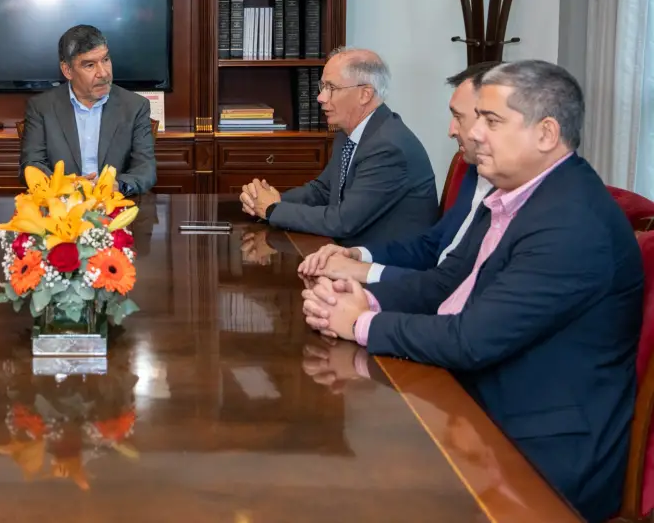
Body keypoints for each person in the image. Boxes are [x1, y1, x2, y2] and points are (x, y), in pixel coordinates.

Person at [301, 60, 642, 523]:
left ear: (546, 133)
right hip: (474, 403)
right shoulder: (513, 194)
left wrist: (360, 322)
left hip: (537, 448)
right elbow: (444, 284)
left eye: (492, 120)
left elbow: (471, 340)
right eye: (475, 117)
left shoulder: (572, 224)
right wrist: (363, 297)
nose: (473, 133)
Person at [298, 61, 499, 284]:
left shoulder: (388, 144)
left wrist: (363, 276)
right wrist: (358, 255)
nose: (451, 131)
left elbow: (451, 285)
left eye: (459, 117)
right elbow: (431, 246)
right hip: (419, 283)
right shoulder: (477, 171)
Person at [240, 47, 438, 243]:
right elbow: (323, 191)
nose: (320, 97)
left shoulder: (388, 148)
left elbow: (343, 222)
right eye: (322, 87)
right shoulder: (349, 133)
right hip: (350, 251)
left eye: (331, 88)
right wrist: (271, 199)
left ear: (365, 94)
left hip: (389, 264)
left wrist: (272, 209)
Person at [19, 24, 156, 196]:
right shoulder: (41, 107)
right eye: (90, 65)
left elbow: (145, 169)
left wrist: (117, 185)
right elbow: (32, 165)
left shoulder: (135, 106)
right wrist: (71, 186)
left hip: (114, 205)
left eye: (105, 60)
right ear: (67, 70)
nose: (103, 73)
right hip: (61, 208)